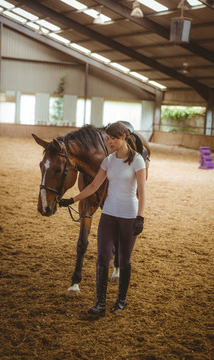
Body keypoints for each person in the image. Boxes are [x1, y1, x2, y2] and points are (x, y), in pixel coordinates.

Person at [59, 121, 146, 317]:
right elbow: (93, 186)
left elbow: (142, 191)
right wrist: (71, 200)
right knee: (102, 257)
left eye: (112, 138)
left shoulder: (137, 161)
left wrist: (140, 217)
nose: (109, 142)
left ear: (123, 137)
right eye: (107, 138)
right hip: (108, 213)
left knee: (124, 259)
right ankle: (100, 304)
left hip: (129, 215)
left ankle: (121, 300)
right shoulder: (108, 161)